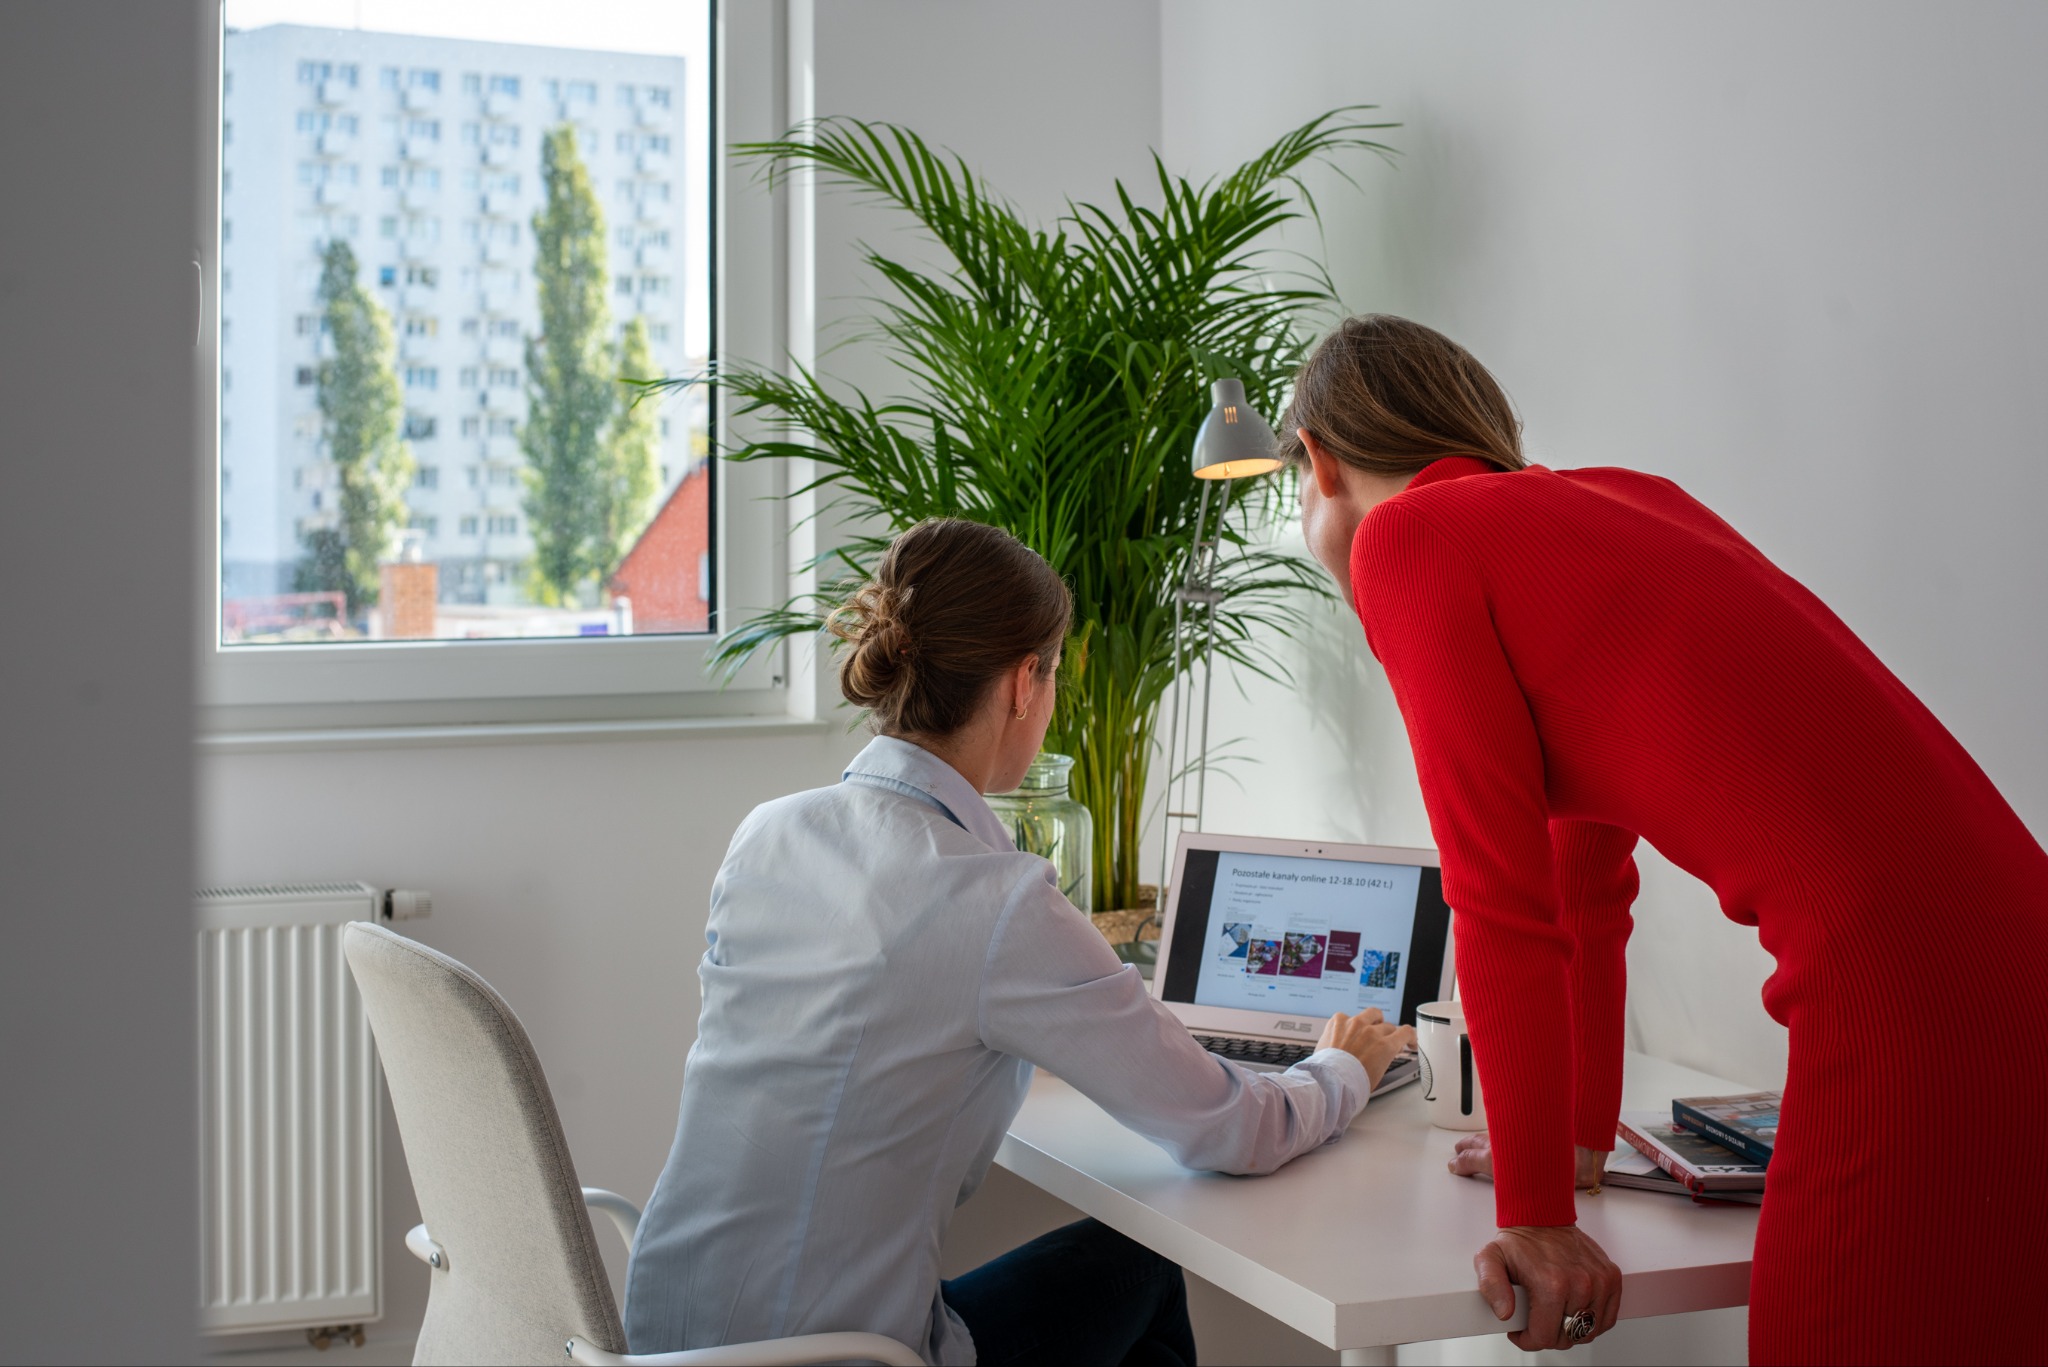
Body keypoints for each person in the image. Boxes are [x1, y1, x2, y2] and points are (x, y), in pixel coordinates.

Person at [1281, 314, 2048, 1364]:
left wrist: (1537, 1214)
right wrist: (1569, 1143)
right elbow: (1581, 879)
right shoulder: (1624, 496)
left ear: (1317, 463)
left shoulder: (1408, 539)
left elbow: (1496, 897)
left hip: (1898, 987)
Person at [622, 518, 1416, 1367]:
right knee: (1140, 1262)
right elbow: (1234, 1130)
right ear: (1023, 684)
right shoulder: (993, 899)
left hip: (665, 1344)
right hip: (831, 1357)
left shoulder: (769, 832)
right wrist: (1343, 1067)